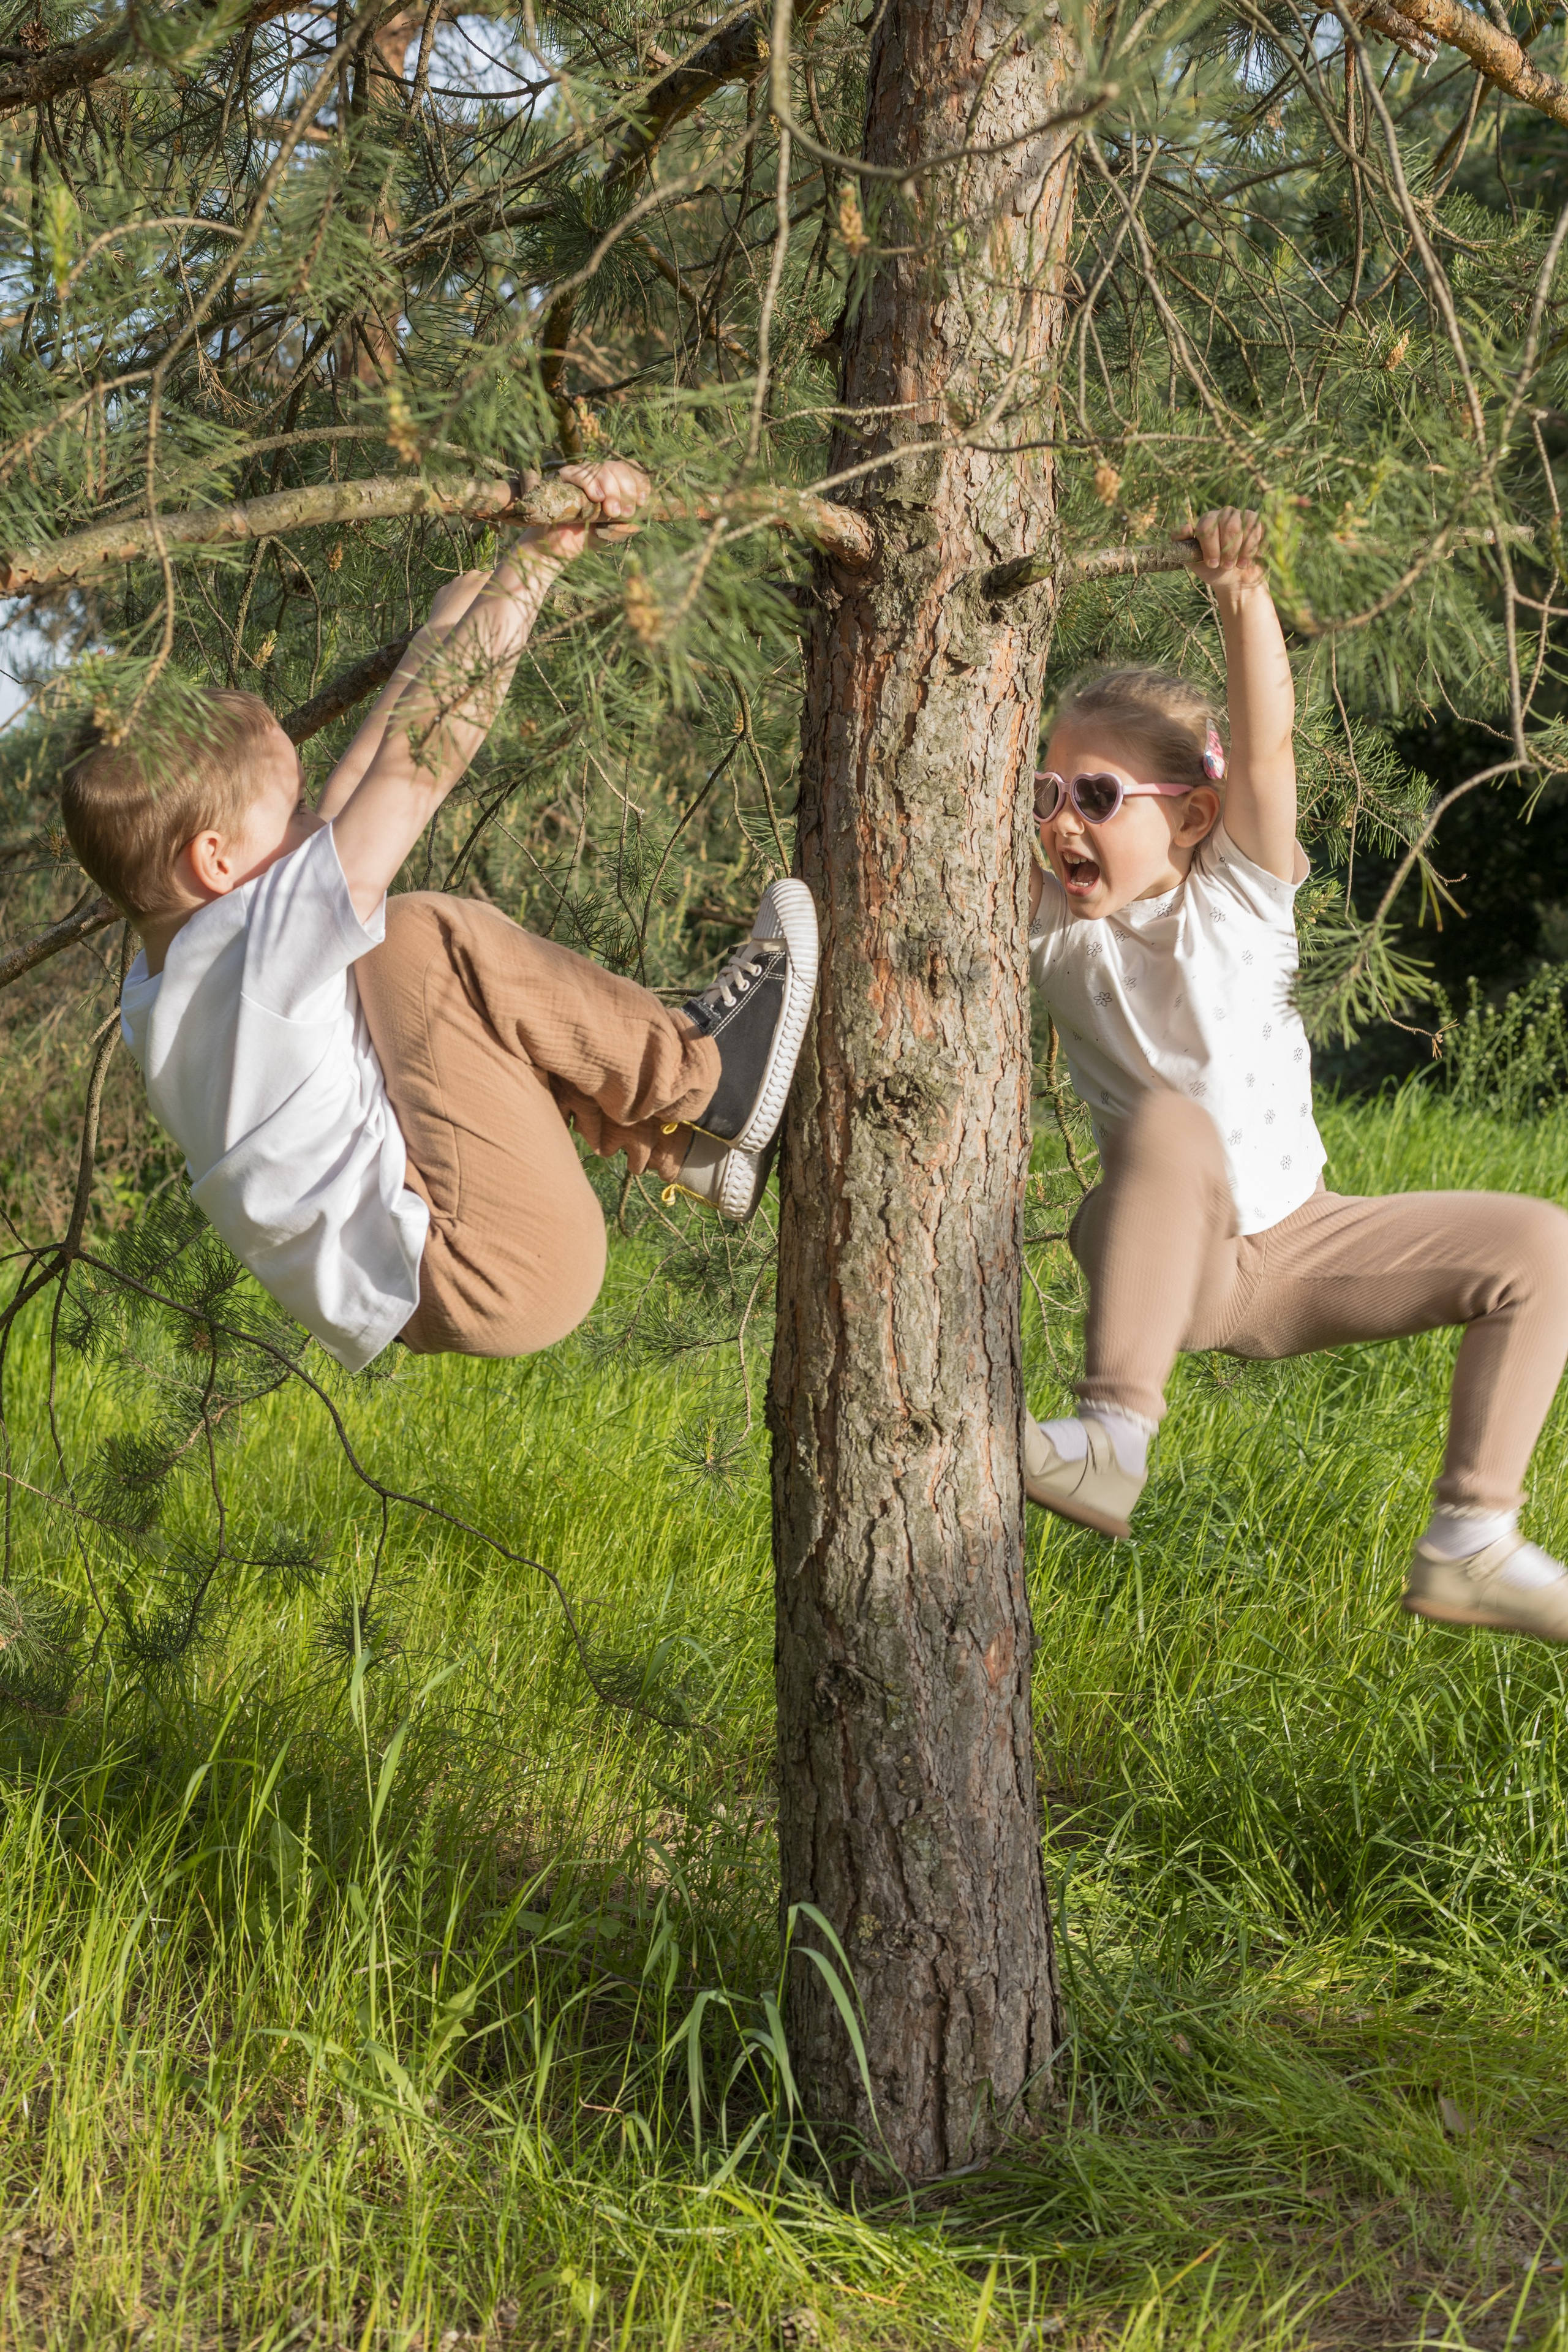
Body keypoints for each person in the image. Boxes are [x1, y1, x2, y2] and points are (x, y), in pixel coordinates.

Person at [59, 460, 817, 1373]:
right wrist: (534, 566)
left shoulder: (172, 992)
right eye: (285, 813)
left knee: (398, 981)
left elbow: (350, 801)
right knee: (419, 942)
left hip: (448, 1274)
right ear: (215, 861)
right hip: (491, 1259)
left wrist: (445, 633)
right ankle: (707, 1079)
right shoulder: (255, 960)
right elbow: (414, 773)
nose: (310, 827)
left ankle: (683, 1145)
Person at [1023, 504, 1568, 1643]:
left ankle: (1472, 1538)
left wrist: (1243, 594)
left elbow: (1266, 751)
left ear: (1194, 816)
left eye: (1098, 797)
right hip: (1175, 1260)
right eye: (1047, 795)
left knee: (1542, 1246)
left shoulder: (1243, 898)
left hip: (1311, 1242)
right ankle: (1111, 1437)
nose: (1063, 823)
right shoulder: (1052, 927)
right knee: (1171, 1130)